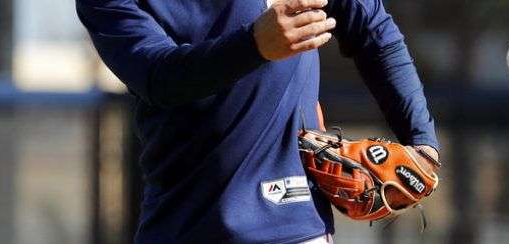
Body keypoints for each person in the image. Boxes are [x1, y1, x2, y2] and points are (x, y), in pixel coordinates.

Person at [77, 0, 439, 242]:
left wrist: (423, 142)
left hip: (296, 225)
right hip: (186, 224)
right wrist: (253, 46)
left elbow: (374, 31)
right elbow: (157, 77)